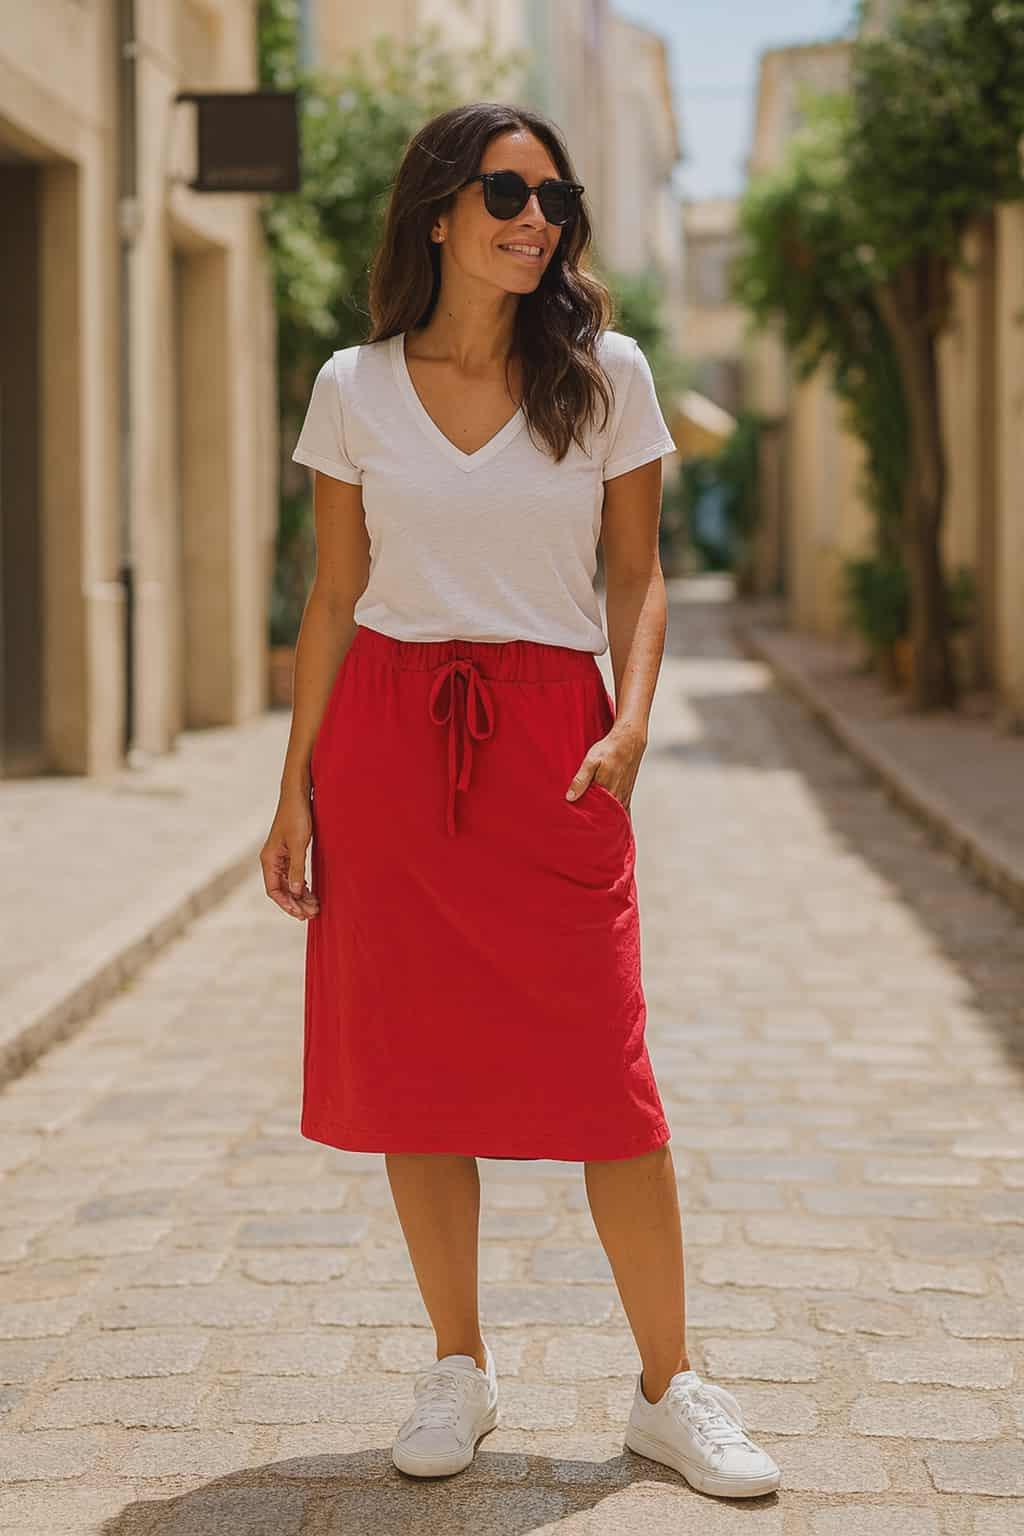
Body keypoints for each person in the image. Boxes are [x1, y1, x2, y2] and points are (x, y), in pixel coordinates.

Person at [260, 101, 781, 1502]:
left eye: (553, 198)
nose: (532, 216)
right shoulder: (353, 386)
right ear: (437, 212)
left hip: (553, 737)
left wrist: (630, 720)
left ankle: (672, 1389)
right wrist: (293, 788)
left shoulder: (605, 373)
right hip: (389, 738)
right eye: (504, 189)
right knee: (416, 1070)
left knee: (612, 1080)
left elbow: (637, 573)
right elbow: (331, 595)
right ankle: (459, 1367)